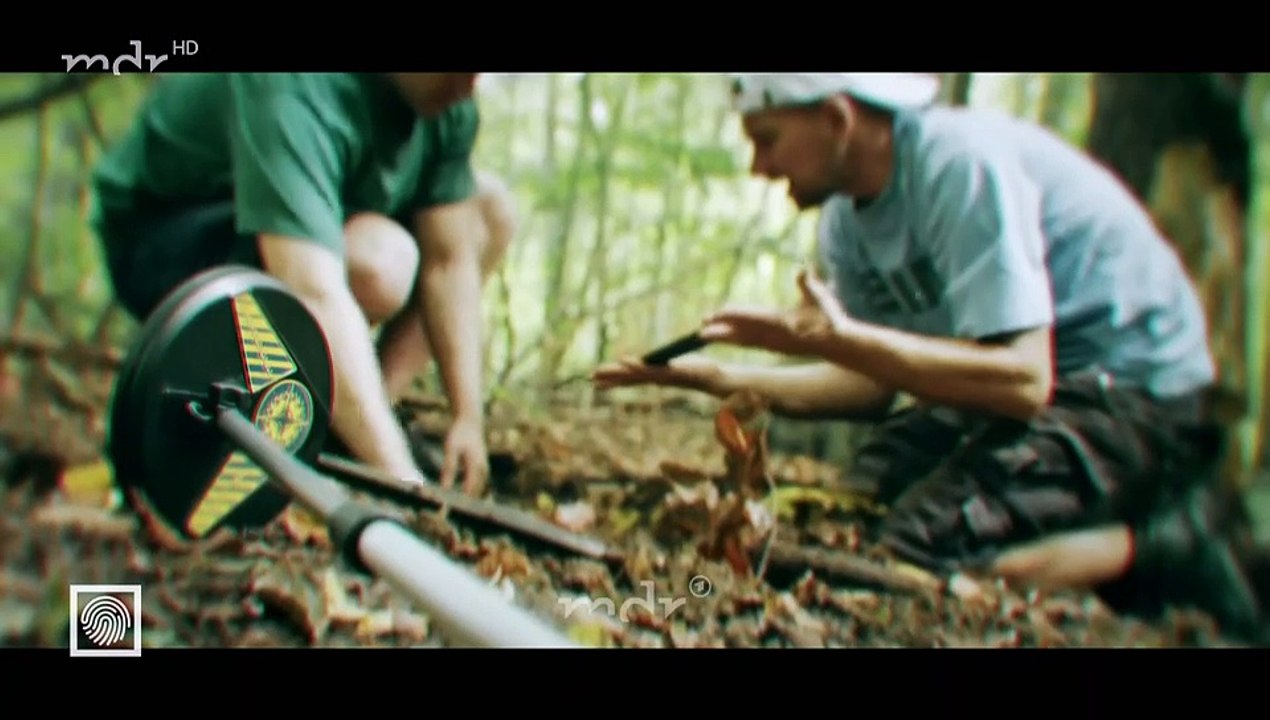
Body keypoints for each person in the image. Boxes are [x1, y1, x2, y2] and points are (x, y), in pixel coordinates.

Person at [593, 73, 1266, 642]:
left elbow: (1026, 380)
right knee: (872, 490)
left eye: (766, 140)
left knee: (925, 547)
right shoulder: (847, 220)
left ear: (837, 117)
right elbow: (871, 382)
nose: (759, 167)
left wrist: (837, 338)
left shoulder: (958, 162)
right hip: (1044, 381)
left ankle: (1157, 550)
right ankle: (1088, 525)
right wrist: (722, 377)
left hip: (1138, 386)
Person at [91, 73, 517, 496]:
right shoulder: (294, 83)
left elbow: (449, 260)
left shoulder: (447, 100)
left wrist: (467, 419)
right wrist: (404, 483)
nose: (469, 84)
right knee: (382, 262)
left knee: (487, 211)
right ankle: (351, 438)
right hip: (165, 233)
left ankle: (359, 425)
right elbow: (313, 288)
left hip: (318, 216)